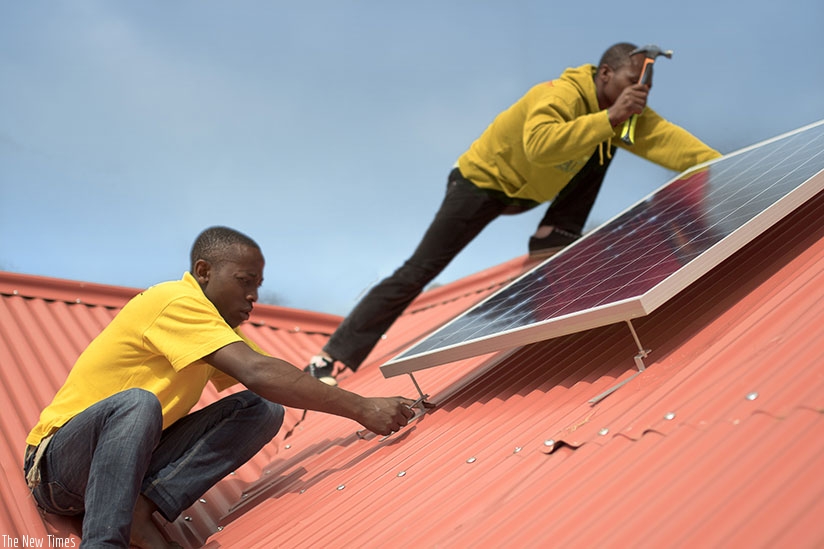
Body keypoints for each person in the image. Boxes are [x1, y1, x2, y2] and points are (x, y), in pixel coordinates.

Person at [305, 42, 722, 386]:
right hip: (480, 184)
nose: (640, 93)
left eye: (646, 86)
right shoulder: (558, 94)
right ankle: (331, 356)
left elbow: (680, 148)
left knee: (609, 140)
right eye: (634, 82)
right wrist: (610, 116)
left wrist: (734, 171)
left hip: (530, 194)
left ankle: (554, 236)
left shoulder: (627, 116)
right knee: (420, 268)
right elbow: (540, 144)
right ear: (605, 75)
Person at [23, 226, 416, 548]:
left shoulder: (213, 330)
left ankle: (138, 509)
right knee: (138, 404)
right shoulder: (174, 301)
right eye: (245, 281)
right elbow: (259, 370)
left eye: (259, 286)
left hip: (128, 465)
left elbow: (277, 380)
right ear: (204, 271)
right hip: (59, 470)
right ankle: (104, 542)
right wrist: (362, 408)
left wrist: (332, 379)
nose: (253, 297)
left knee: (261, 408)